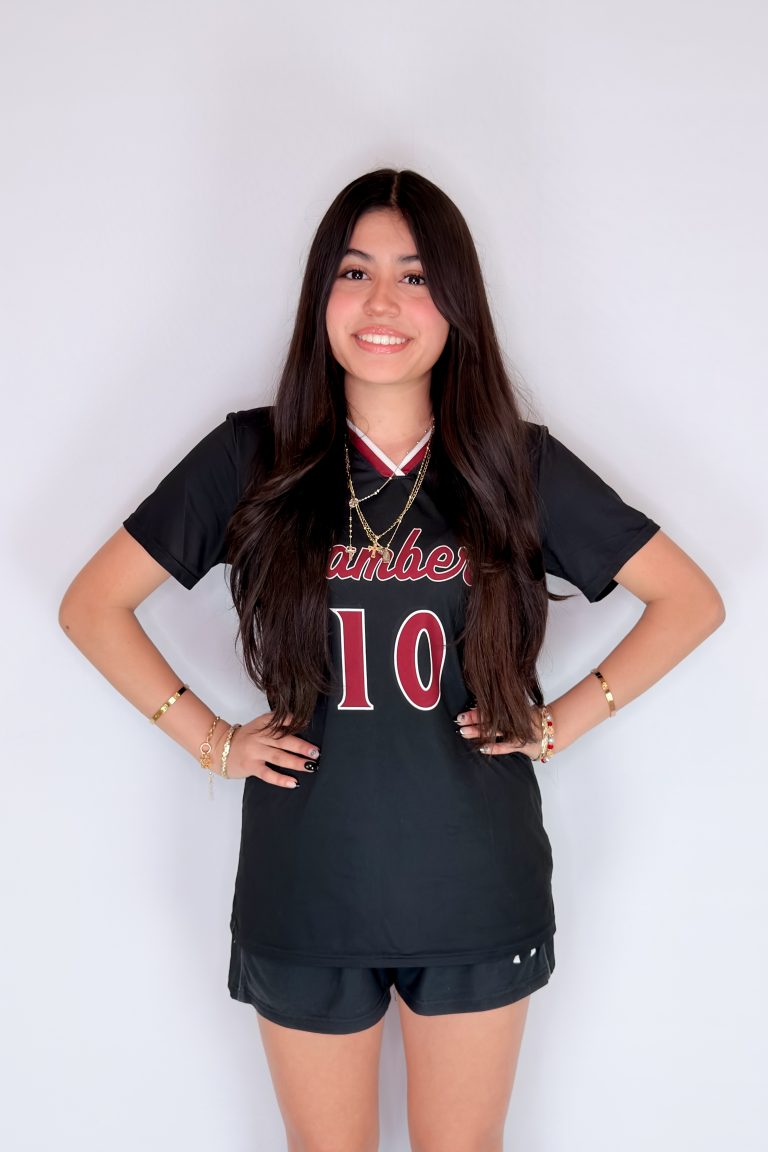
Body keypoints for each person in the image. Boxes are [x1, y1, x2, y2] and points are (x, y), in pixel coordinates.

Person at [59, 168, 725, 1152]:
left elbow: (690, 600)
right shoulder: (253, 456)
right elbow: (92, 604)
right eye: (355, 271)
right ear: (319, 294)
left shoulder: (512, 461)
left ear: (455, 303)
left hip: (474, 881)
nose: (382, 302)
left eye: (415, 277)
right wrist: (211, 742)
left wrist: (558, 724)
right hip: (307, 883)